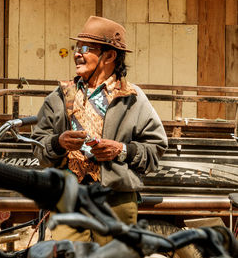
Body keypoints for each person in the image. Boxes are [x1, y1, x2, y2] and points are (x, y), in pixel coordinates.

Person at [32, 16, 167, 245]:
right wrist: (58, 143)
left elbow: (156, 148)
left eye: (86, 48)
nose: (77, 53)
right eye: (76, 47)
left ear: (110, 55)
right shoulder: (60, 97)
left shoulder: (132, 98)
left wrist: (121, 150)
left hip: (116, 201)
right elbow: (38, 145)